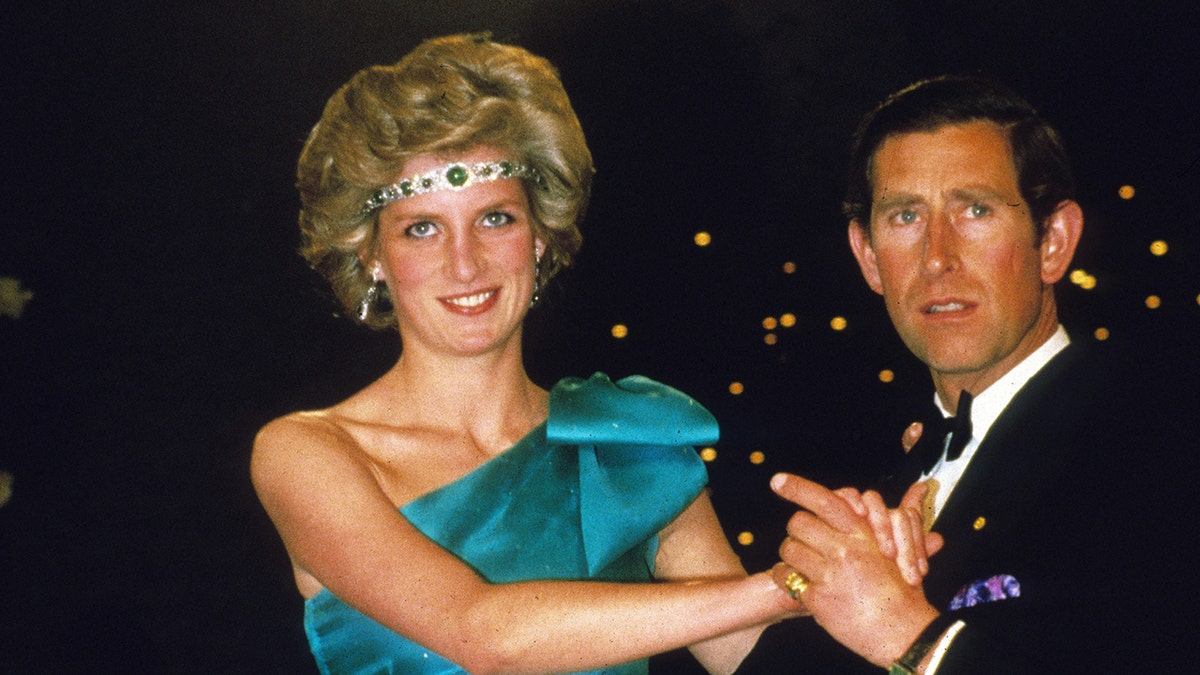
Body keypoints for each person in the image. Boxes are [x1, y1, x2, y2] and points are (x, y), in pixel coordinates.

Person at [251, 33, 932, 675]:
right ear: (370, 254)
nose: (466, 263)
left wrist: (867, 575)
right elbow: (480, 632)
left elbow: (753, 659)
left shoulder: (624, 439)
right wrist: (791, 583)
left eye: (496, 218)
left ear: (540, 236)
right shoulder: (309, 454)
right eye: (422, 229)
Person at [752, 75, 1194, 672]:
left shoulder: (1158, 443)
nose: (937, 257)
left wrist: (910, 637)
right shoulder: (889, 478)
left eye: (976, 210)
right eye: (906, 216)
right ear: (868, 257)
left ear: (1054, 242)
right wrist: (672, 509)